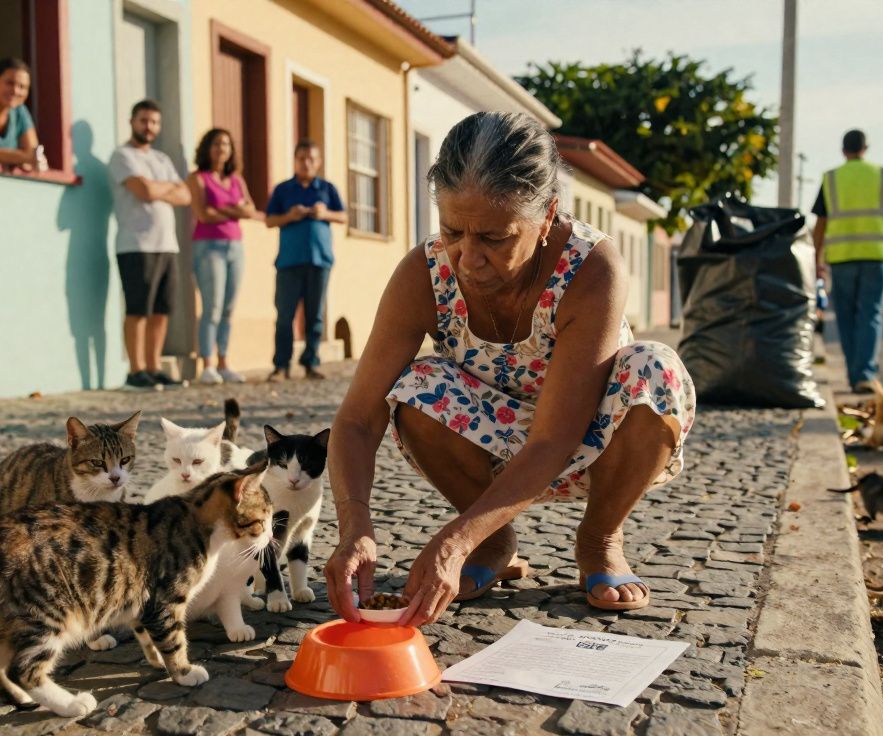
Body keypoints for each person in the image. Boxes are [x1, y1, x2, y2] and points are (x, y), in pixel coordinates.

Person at [322, 112, 696, 627]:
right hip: (492, 439)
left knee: (656, 369)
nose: (468, 258)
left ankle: (600, 538)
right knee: (416, 387)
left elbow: (553, 438)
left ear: (546, 218)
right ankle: (494, 540)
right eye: (452, 231)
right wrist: (355, 526)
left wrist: (454, 541)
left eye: (495, 238)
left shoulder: (593, 266)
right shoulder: (424, 272)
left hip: (587, 435)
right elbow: (358, 418)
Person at [812, 129, 883, 393]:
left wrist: (816, 259)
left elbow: (820, 225)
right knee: (870, 316)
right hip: (875, 257)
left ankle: (855, 374)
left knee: (845, 317)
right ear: (866, 148)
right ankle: (864, 374)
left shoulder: (831, 179)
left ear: (843, 150)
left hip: (841, 259)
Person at [108, 99, 192, 389]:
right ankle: (136, 370)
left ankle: (155, 367)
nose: (149, 126)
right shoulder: (122, 155)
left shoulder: (161, 159)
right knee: (138, 309)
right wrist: (166, 188)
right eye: (144, 120)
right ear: (132, 122)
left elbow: (186, 196)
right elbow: (142, 190)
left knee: (161, 309)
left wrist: (160, 189)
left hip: (166, 244)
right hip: (135, 244)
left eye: (154, 122)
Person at [264, 140, 347, 381]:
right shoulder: (283, 190)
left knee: (315, 315)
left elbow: (342, 216)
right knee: (284, 316)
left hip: (320, 260)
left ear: (318, 162)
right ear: (295, 160)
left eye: (311, 159)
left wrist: (324, 213)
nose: (306, 163)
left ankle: (311, 362)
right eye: (302, 158)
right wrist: (289, 216)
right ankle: (281, 365)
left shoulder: (327, 188)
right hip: (288, 262)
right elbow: (269, 220)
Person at [187, 129, 255, 385]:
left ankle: (224, 362)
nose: (221, 148)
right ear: (207, 148)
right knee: (212, 307)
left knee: (228, 308)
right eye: (216, 143)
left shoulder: (236, 179)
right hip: (208, 246)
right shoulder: (198, 178)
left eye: (226, 144)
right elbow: (203, 214)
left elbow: (251, 209)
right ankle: (207, 364)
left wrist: (226, 210)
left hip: (235, 247)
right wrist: (234, 210)